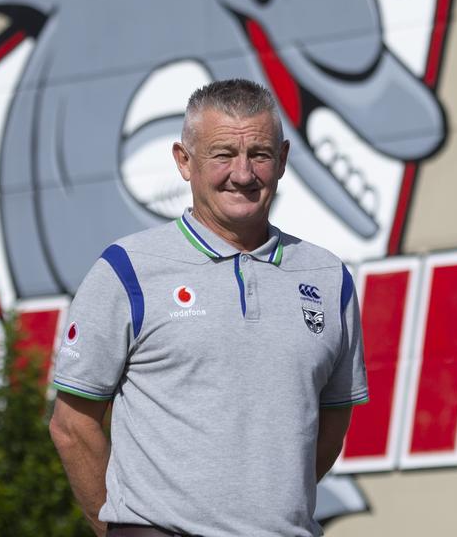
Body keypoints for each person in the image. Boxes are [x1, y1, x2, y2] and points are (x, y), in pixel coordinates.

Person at [49, 79, 368, 537]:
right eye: (222, 155)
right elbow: (72, 427)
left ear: (281, 161)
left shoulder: (327, 277)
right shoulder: (127, 269)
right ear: (184, 161)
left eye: (259, 154)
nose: (242, 173)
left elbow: (332, 426)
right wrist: (119, 529)